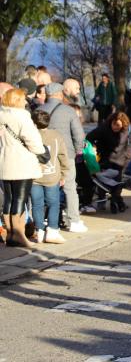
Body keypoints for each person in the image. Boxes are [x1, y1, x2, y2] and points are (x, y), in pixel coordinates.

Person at [0, 88, 47, 247]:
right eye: (23, 99)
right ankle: (19, 235)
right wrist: (42, 151)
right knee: (20, 198)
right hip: (21, 162)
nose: (26, 102)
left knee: (8, 198)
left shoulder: (1, 115)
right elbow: (33, 142)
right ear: (17, 100)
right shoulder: (22, 116)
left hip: (4, 161)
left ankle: (10, 235)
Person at [40, 83, 88, 233]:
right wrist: (77, 151)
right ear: (60, 94)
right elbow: (79, 134)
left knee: (44, 186)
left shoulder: (37, 110)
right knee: (69, 187)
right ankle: (73, 220)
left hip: (43, 154)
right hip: (66, 153)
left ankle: (44, 219)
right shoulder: (68, 111)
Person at [30, 110, 70, 244]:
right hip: (52, 176)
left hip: (34, 176)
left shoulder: (30, 136)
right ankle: (52, 230)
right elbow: (63, 156)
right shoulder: (56, 135)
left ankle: (39, 231)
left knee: (37, 205)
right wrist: (64, 173)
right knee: (53, 204)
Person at [85, 112, 131, 212]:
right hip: (105, 159)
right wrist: (95, 146)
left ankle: (116, 202)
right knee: (102, 183)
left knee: (117, 183)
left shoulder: (127, 130)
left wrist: (127, 159)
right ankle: (102, 202)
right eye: (114, 124)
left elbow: (129, 146)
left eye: (118, 125)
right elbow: (89, 137)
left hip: (120, 161)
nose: (115, 127)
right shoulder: (104, 128)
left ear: (123, 125)